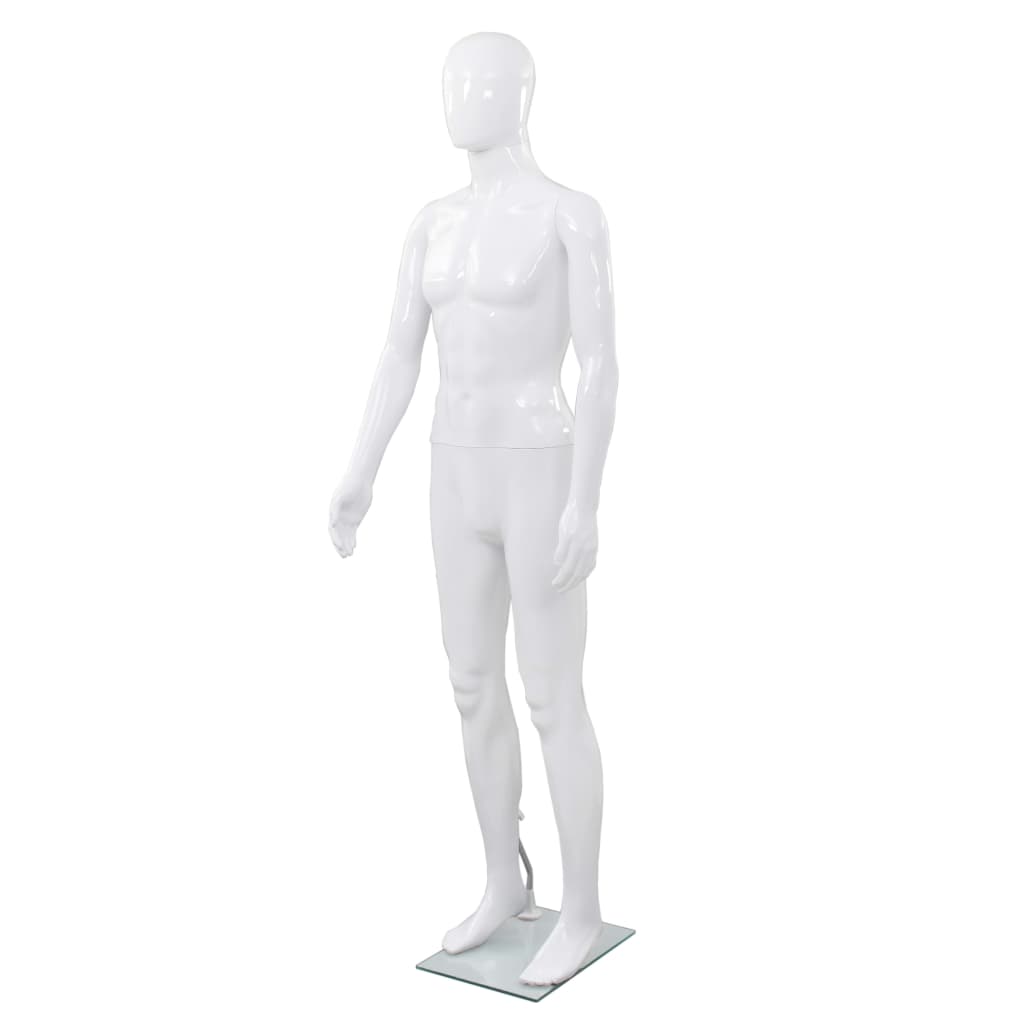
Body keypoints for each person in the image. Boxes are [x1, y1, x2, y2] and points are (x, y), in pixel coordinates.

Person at [328, 32, 618, 986]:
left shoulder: (571, 214)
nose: (459, 95)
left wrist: (587, 497)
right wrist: (360, 469)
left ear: (521, 94)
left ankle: (582, 909)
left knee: (552, 693)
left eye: (480, 80)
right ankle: (502, 879)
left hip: (538, 464)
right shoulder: (431, 224)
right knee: (467, 682)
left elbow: (601, 364)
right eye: (451, 79)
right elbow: (398, 353)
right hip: (451, 469)